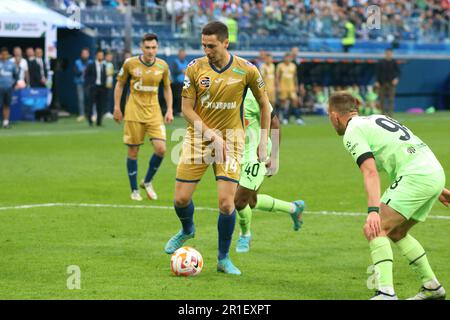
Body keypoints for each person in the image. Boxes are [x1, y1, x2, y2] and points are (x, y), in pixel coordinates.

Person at [164, 21, 272, 275]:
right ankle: (187, 229)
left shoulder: (247, 70)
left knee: (226, 204)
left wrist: (264, 141)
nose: (206, 50)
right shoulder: (195, 68)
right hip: (198, 138)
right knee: (180, 199)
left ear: (226, 43)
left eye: (211, 46)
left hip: (232, 140)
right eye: (203, 45)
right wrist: (211, 134)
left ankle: (223, 259)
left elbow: (265, 105)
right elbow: (186, 109)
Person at [328, 91, 449, 300]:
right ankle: (432, 287)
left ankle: (385, 292)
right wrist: (436, 186)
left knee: (375, 228)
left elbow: (370, 171)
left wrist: (373, 211)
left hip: (417, 175)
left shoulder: (352, 131)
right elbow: (405, 149)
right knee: (397, 232)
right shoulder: (378, 118)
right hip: (432, 171)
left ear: (334, 116)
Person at [234, 89, 305, 253]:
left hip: (257, 154)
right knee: (250, 201)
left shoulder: (253, 96)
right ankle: (294, 208)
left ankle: (245, 235)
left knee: (239, 201)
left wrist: (273, 157)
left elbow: (275, 124)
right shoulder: (222, 94)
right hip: (235, 154)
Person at [113, 33, 173, 201]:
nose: (150, 51)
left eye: (154, 48)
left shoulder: (162, 66)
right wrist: (117, 107)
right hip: (133, 113)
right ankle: (134, 190)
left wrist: (169, 109)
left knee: (161, 149)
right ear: (141, 47)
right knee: (133, 151)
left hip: (154, 113)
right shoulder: (130, 63)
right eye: (147, 47)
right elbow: (120, 84)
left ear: (157, 48)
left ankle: (147, 181)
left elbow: (167, 88)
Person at [276, 53, 304, 125]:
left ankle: (298, 118)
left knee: (295, 102)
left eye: (289, 58)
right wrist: (278, 86)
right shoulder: (280, 66)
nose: (288, 59)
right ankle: (284, 118)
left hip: (291, 87)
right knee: (283, 103)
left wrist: (296, 85)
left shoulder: (293, 66)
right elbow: (277, 77)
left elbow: (295, 77)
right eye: (287, 58)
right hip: (283, 87)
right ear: (284, 58)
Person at [375, 48, 400, 117]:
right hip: (382, 83)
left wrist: (396, 79)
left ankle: (390, 115)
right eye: (387, 53)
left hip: (391, 84)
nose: (388, 55)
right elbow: (377, 73)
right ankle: (383, 114)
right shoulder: (381, 62)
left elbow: (398, 72)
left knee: (391, 100)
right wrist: (377, 81)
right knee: (382, 99)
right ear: (385, 54)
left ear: (392, 54)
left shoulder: (394, 62)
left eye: (390, 53)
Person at [85, 50, 107, 126]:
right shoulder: (91, 65)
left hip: (101, 88)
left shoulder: (104, 66)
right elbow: (86, 75)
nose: (101, 57)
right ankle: (90, 121)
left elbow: (105, 77)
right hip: (93, 87)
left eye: (102, 55)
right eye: (99, 55)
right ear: (96, 56)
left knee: (100, 105)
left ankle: (99, 121)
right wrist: (90, 84)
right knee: (90, 104)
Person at [0, 47, 18, 129]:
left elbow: (16, 76)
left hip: (8, 88)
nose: (4, 56)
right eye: (3, 54)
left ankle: (5, 123)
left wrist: (13, 85)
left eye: (6, 54)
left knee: (6, 105)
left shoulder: (12, 64)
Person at [74, 47, 91, 122]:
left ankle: (92, 114)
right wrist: (82, 71)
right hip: (79, 83)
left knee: (90, 99)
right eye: (83, 53)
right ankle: (82, 115)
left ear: (88, 54)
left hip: (88, 84)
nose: (85, 55)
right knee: (81, 99)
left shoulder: (91, 62)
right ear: (81, 54)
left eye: (86, 53)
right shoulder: (77, 62)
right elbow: (76, 73)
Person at [170, 48, 188, 115]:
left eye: (183, 54)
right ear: (179, 55)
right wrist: (181, 71)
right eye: (181, 54)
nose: (182, 55)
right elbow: (174, 71)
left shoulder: (186, 62)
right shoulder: (175, 62)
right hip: (177, 83)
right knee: (177, 97)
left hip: (185, 83)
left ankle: (183, 110)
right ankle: (177, 111)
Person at [104, 51, 115, 119]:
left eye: (111, 57)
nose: (110, 58)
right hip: (103, 84)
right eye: (109, 56)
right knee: (103, 98)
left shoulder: (111, 64)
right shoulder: (103, 63)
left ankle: (108, 111)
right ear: (105, 57)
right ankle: (104, 112)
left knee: (109, 98)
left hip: (110, 84)